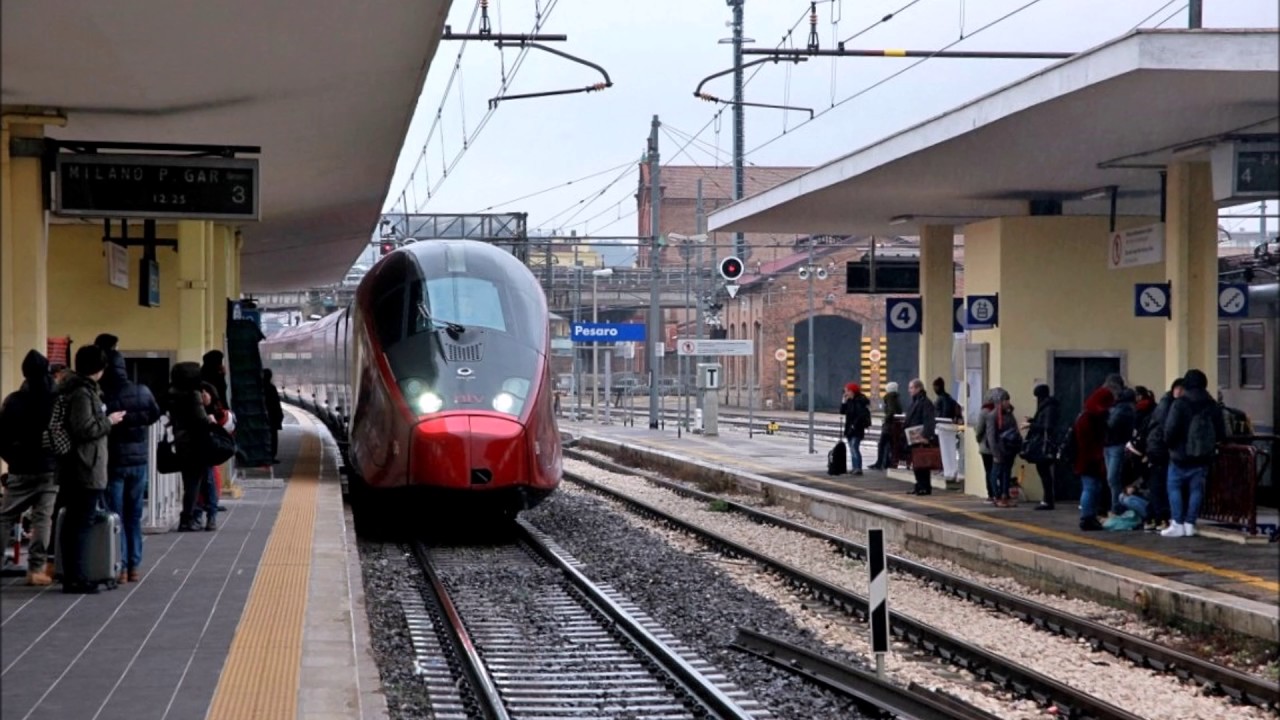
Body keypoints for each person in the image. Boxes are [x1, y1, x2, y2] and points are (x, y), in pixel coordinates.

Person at [58, 345, 126, 594]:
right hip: (85, 465)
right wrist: (109, 421)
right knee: (80, 523)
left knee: (76, 522)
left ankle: (74, 574)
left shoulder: (77, 390)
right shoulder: (82, 394)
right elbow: (84, 429)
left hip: (81, 465)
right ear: (98, 368)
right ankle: (76, 577)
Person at [95, 336, 162, 583]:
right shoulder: (142, 391)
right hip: (139, 462)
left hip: (114, 464)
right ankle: (134, 566)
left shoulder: (103, 397)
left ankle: (120, 566)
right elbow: (154, 414)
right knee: (134, 515)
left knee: (116, 514)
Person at [0, 351, 61, 585]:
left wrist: (12, 459)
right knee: (43, 519)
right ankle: (36, 568)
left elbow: (2, 436)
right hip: (49, 468)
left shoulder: (14, 400)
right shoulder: (56, 399)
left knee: (5, 517)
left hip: (20, 468)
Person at [1161, 369, 1226, 538]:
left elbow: (1170, 429)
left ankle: (1177, 523)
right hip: (1203, 456)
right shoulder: (1212, 405)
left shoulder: (1180, 403)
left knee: (1174, 486)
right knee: (1196, 489)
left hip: (1180, 455)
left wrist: (1169, 445)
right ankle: (1190, 523)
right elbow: (1221, 432)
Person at [168, 362, 215, 532]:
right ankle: (188, 519)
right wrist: (207, 407)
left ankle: (190, 517)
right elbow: (201, 420)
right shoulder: (193, 395)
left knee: (190, 482)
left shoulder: (172, 393)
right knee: (197, 483)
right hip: (197, 444)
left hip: (181, 443)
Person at [1073, 381, 1117, 531]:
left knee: (1092, 488)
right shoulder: (1091, 418)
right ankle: (1087, 517)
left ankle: (1089, 516)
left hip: (1088, 459)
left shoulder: (1086, 415)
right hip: (1090, 459)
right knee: (1091, 488)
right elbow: (1091, 441)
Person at [1022, 384, 1059, 511]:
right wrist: (1033, 421)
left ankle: (1048, 500)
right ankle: (1047, 499)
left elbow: (1047, 427)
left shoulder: (1047, 408)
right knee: (1045, 473)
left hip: (1044, 445)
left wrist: (1031, 425)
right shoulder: (1049, 406)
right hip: (1046, 443)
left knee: (1045, 473)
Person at [981, 388, 1019, 507]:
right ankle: (997, 496)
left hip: (1009, 449)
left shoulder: (1009, 414)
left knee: (1006, 473)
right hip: (999, 449)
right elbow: (991, 436)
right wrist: (996, 453)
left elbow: (1014, 429)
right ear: (999, 402)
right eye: (1005, 400)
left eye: (1008, 400)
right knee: (995, 473)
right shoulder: (992, 416)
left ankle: (1005, 495)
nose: (1007, 402)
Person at [902, 379, 937, 495]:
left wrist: (926, 436)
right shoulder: (916, 401)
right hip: (912, 437)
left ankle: (924, 487)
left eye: (911, 388)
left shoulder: (925, 402)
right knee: (916, 463)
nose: (909, 390)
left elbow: (928, 421)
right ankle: (919, 485)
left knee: (922, 463)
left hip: (919, 437)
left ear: (918, 388)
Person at [869, 382, 902, 470]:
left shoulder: (890, 397)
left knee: (882, 444)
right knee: (890, 445)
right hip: (894, 426)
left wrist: (886, 419)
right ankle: (887, 463)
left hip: (889, 426)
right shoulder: (896, 398)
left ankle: (879, 463)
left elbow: (891, 411)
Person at [839, 382, 871, 476]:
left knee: (854, 447)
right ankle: (854, 467)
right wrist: (843, 401)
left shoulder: (859, 401)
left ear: (851, 391)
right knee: (852, 448)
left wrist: (854, 425)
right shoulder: (849, 401)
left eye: (846, 391)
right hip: (850, 428)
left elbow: (861, 415)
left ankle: (858, 468)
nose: (845, 393)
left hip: (857, 429)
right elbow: (842, 412)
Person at [263, 368, 284, 462]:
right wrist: (280, 416)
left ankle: (265, 455)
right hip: (272, 418)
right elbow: (276, 404)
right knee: (273, 438)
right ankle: (271, 456)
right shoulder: (272, 388)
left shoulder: (259, 388)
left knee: (265, 437)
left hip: (263, 417)